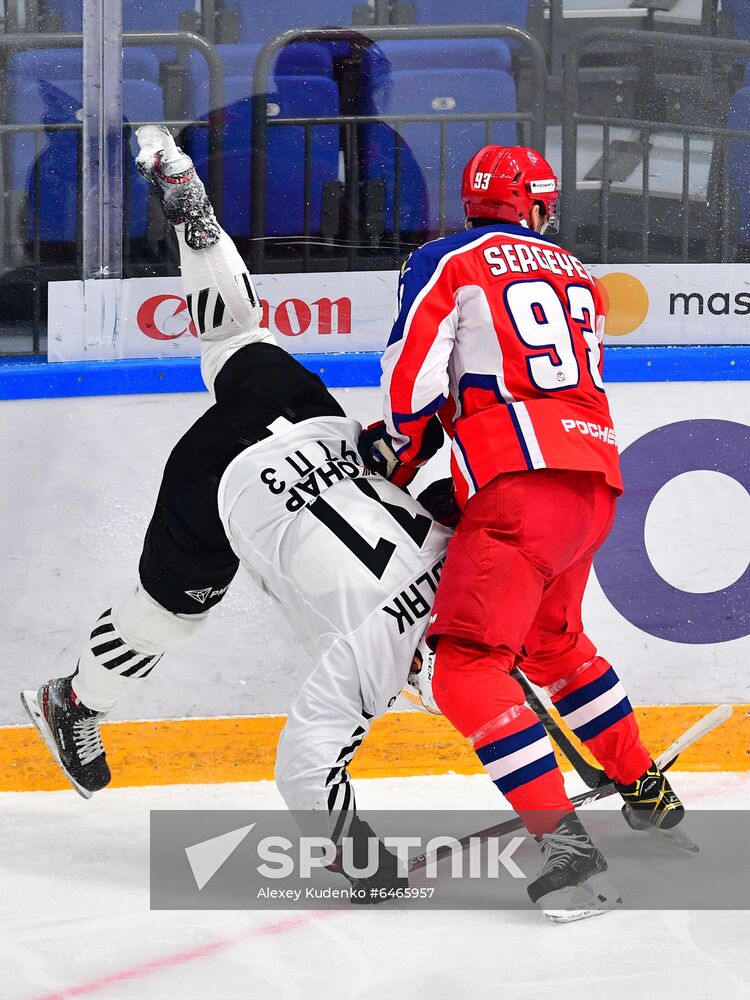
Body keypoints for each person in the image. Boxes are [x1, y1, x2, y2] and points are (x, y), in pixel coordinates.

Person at [21, 126, 450, 894]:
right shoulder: (368, 662)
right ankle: (70, 699)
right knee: (169, 613)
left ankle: (193, 207)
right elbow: (306, 763)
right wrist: (362, 863)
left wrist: (396, 449)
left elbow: (452, 495)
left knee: (241, 335)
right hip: (225, 476)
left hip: (306, 414)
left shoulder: (459, 561)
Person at [362, 145, 685, 919]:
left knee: (467, 665)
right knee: (555, 647)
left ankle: (569, 853)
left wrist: (400, 448)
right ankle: (645, 787)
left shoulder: (446, 257)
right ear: (536, 205)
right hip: (595, 479)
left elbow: (414, 373)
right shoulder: (577, 274)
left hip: (520, 486)